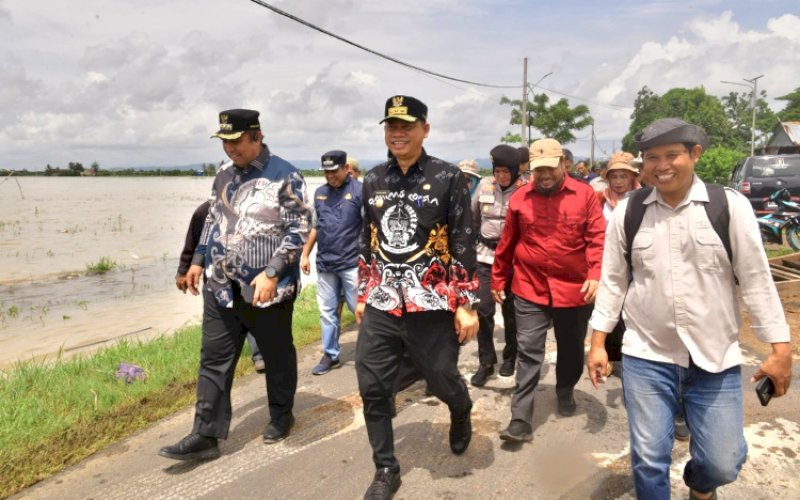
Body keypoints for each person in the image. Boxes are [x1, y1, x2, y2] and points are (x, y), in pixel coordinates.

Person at [587, 118, 793, 500]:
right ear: (642, 165)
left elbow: (756, 279)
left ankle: (700, 487)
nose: (661, 165)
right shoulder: (628, 213)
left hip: (714, 358)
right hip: (647, 355)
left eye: (672, 155)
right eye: (651, 158)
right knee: (649, 458)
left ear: (694, 154)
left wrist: (781, 349)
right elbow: (613, 280)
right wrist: (599, 343)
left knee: (723, 462)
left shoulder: (728, 206)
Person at [159, 109, 309, 461]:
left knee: (276, 356)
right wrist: (197, 262)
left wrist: (272, 273)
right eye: (224, 141)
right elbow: (212, 221)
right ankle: (205, 435)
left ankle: (282, 415)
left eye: (236, 141)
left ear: (257, 136)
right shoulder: (223, 176)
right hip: (222, 286)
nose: (230, 149)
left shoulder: (286, 176)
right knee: (213, 359)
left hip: (266, 291)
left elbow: (298, 231)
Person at [356, 95, 479, 499]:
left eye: (406, 126)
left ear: (425, 129)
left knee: (443, 380)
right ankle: (385, 468)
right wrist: (362, 292)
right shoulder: (372, 180)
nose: (398, 133)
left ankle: (460, 411)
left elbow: (463, 241)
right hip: (382, 300)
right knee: (372, 384)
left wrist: (465, 303)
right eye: (391, 126)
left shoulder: (447, 178)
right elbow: (367, 239)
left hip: (431, 303)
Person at [492, 138, 605, 443]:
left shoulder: (585, 195)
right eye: (538, 169)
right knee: (529, 351)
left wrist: (595, 273)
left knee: (570, 350)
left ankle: (565, 388)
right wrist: (498, 278)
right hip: (530, 286)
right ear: (530, 168)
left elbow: (596, 237)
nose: (544, 175)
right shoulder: (519, 199)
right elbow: (507, 243)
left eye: (549, 168)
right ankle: (520, 418)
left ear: (562, 164)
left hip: (574, 289)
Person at [176, 198, 265, 374]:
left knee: (253, 314)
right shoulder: (205, 211)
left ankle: (260, 355)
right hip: (216, 281)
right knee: (221, 327)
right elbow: (193, 242)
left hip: (246, 277)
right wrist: (183, 270)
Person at [300, 150, 362, 375]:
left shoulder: (359, 191)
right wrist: (305, 253)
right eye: (326, 172)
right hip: (326, 263)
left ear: (346, 168)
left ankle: (371, 352)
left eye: (334, 171)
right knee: (327, 312)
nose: (330, 176)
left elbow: (369, 228)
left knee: (360, 310)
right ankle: (330, 355)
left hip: (353, 262)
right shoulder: (320, 193)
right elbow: (316, 226)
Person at [469, 144, 525, 386]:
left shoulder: (525, 190)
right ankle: (486, 362)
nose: (501, 176)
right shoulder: (484, 186)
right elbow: (472, 218)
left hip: (513, 261)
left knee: (512, 314)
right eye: (498, 171)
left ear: (515, 171)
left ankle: (510, 357)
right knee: (483, 310)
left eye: (506, 172)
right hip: (485, 258)